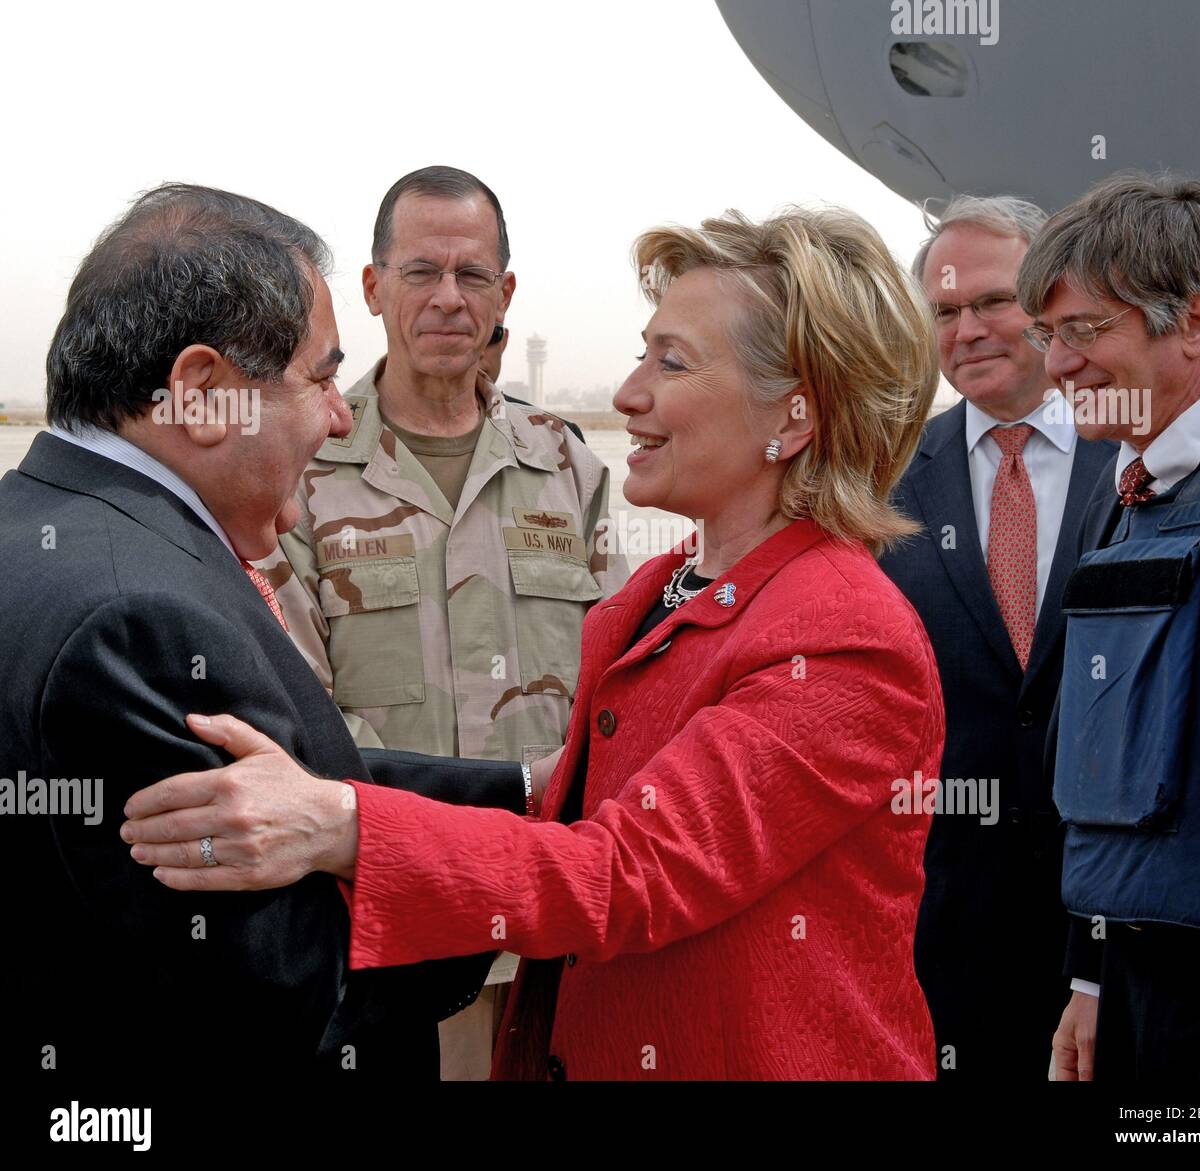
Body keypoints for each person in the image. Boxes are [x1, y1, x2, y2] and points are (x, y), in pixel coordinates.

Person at [124, 206, 945, 1080]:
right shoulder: (654, 593)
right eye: (642, 354)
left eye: (671, 362)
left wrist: (342, 824)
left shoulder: (846, 636)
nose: (629, 395)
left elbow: (629, 872)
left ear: (796, 412)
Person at [0, 183, 526, 1081]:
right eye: (321, 376)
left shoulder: (50, 524)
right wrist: (528, 878)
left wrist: (523, 786)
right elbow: (290, 994)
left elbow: (297, 781)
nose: (340, 413)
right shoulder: (138, 621)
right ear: (203, 394)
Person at [257, 165, 627, 1078]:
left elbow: (622, 691)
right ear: (375, 289)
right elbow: (290, 709)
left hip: (556, 914)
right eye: (421, 272)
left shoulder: (568, 470)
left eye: (473, 275)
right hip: (388, 918)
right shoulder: (304, 475)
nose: (449, 298)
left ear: (506, 294)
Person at [1017, 172, 1200, 1083]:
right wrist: (1092, 972)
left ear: (1195, 320)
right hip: (1140, 990)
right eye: (1048, 336)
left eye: (1086, 330)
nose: (1058, 365)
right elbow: (1106, 755)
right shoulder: (1120, 486)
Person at [878, 196, 1116, 1080]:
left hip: (1114, 928)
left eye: (993, 301)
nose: (968, 329)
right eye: (945, 312)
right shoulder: (884, 483)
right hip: (943, 933)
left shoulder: (1139, 456)